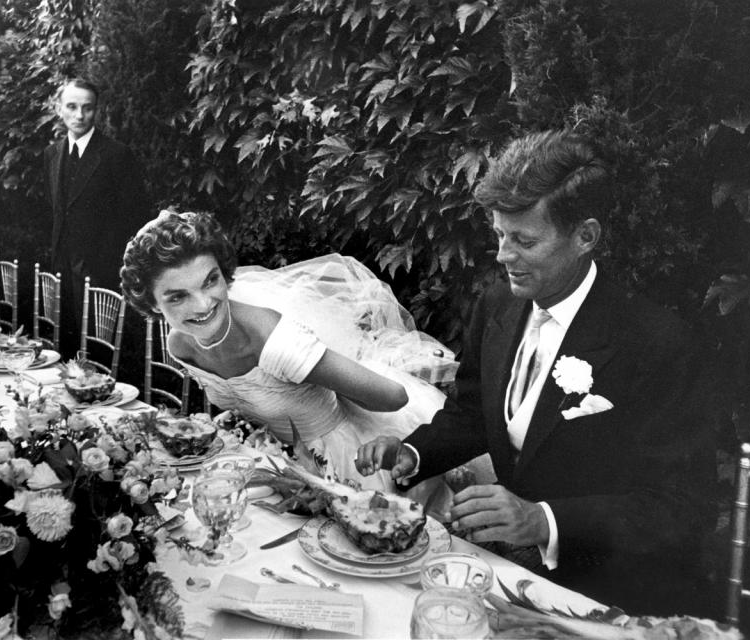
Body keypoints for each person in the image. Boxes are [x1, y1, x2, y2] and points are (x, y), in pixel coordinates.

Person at [355, 130, 717, 616]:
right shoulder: (499, 303)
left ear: (585, 236)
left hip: (614, 592)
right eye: (500, 235)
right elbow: (474, 411)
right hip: (515, 573)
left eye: (524, 240)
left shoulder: (658, 345)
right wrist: (415, 452)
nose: (504, 256)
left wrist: (542, 521)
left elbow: (682, 509)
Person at [119, 210, 489, 497]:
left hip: (346, 466)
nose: (203, 304)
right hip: (282, 466)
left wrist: (315, 370)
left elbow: (394, 396)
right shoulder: (180, 344)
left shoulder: (275, 342)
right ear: (151, 304)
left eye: (210, 281)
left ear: (225, 273)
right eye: (177, 296)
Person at [43, 78, 150, 357]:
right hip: (61, 267)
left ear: (97, 110)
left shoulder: (116, 155)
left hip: (100, 270)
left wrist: (109, 263)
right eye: (72, 106)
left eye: (87, 108)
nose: (80, 115)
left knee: (100, 351)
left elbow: (134, 216)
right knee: (64, 346)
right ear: (59, 108)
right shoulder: (52, 154)